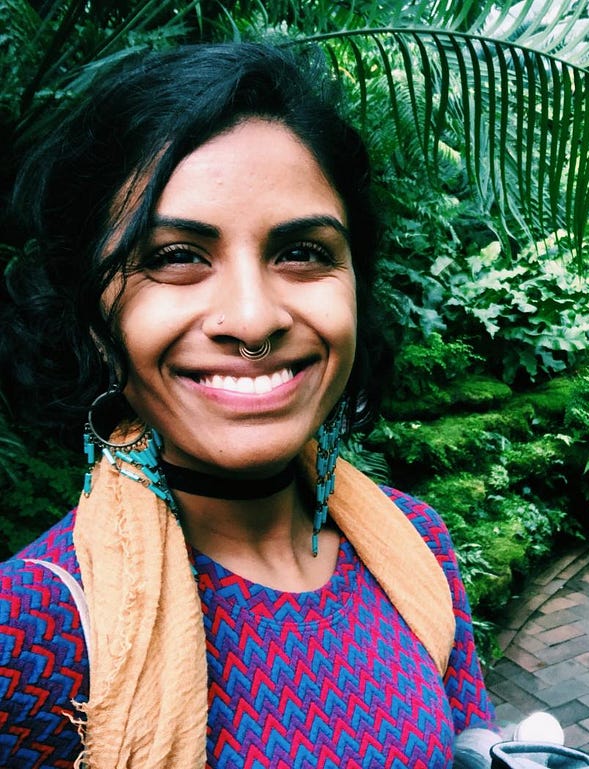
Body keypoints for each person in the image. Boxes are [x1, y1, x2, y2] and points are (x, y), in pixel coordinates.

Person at [0, 42, 498, 768]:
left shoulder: (415, 544)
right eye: (175, 256)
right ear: (92, 316)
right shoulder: (32, 629)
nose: (253, 317)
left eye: (302, 251)